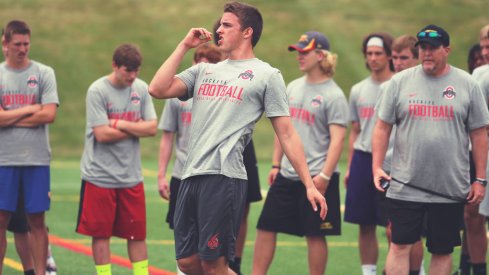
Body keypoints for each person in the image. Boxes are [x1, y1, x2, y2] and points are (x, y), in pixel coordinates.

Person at [149, 2, 327, 274]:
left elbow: (287, 134)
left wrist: (309, 184)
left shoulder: (267, 75)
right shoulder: (204, 70)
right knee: (186, 262)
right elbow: (157, 88)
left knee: (213, 263)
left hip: (224, 178)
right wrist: (185, 46)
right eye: (219, 24)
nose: (218, 30)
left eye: (227, 25)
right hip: (190, 174)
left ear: (247, 32)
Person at [372, 24, 489, 275]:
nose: (426, 53)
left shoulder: (467, 84)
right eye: (423, 48)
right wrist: (377, 167)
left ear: (446, 50)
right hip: (405, 185)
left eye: (433, 48)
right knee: (399, 245)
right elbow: (382, 127)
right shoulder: (400, 82)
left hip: (448, 187)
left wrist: (480, 179)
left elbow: (479, 134)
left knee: (442, 250)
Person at [252, 31, 348, 275]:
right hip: (287, 174)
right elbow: (282, 131)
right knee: (265, 226)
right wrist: (275, 164)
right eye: (298, 51)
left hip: (318, 177)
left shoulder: (334, 95)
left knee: (315, 235)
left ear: (321, 55)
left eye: (305, 52)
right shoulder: (292, 87)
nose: (299, 56)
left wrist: (325, 177)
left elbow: (338, 141)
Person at [76, 43, 157, 275]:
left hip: (131, 176)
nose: (132, 76)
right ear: (114, 66)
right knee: (101, 234)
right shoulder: (97, 90)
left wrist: (119, 123)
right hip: (99, 176)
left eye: (136, 70)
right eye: (127, 70)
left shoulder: (141, 89)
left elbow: (152, 128)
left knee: (137, 233)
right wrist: (136, 127)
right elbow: (102, 135)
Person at [0, 20, 58, 275]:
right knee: (1, 219)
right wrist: (32, 108)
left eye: (26, 43)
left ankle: (40, 272)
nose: (23, 49)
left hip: (36, 159)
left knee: (37, 219)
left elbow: (49, 115)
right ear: (5, 44)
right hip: (4, 159)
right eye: (17, 44)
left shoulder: (44, 73)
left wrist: (11, 116)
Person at [343, 32, 394, 275]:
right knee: (365, 223)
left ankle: (407, 269)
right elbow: (355, 131)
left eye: (378, 53)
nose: (373, 58)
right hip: (363, 159)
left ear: (388, 55)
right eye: (369, 54)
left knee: (395, 225)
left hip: (391, 161)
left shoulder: (397, 85)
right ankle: (369, 272)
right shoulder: (358, 90)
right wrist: (352, 166)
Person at [387, 34, 426, 275]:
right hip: (390, 168)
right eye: (395, 58)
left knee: (411, 233)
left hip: (415, 171)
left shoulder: (426, 87)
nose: (398, 63)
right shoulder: (391, 86)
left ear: (417, 58)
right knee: (395, 232)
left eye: (404, 58)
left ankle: (416, 270)